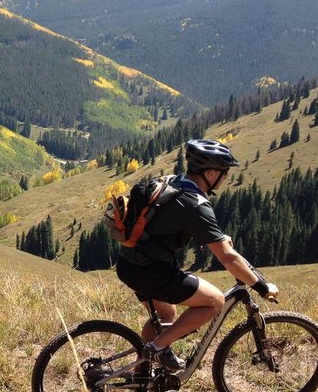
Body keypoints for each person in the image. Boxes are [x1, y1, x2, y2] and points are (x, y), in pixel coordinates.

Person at [116, 139, 279, 370]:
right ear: (211, 173)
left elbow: (170, 223)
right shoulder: (196, 203)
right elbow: (228, 258)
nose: (225, 178)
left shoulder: (172, 182)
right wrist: (262, 286)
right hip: (150, 271)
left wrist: (219, 238)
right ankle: (157, 349)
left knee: (166, 314)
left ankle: (142, 373)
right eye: (224, 173)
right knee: (214, 301)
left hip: (129, 263)